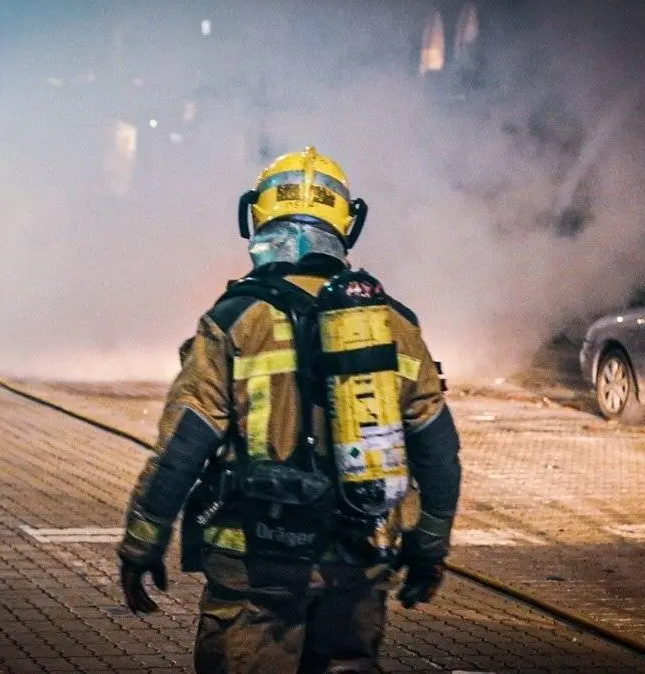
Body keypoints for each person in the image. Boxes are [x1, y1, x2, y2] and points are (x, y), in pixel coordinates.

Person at [117, 146, 462, 673]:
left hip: (257, 559)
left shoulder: (237, 319)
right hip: (359, 557)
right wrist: (428, 548)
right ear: (349, 225)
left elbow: (185, 445)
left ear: (255, 218)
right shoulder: (393, 324)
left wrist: (143, 541)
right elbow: (437, 450)